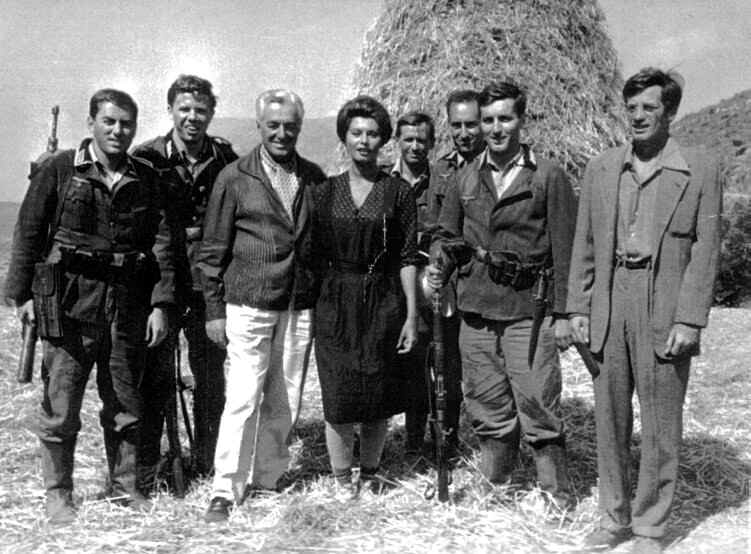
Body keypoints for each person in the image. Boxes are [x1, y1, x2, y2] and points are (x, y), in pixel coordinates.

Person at [4, 89, 176, 524]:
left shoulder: (145, 176)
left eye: (126, 124)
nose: (118, 131)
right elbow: (29, 230)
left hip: (127, 305)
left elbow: (161, 244)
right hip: (68, 304)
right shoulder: (62, 170)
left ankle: (124, 488)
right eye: (109, 122)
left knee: (124, 404)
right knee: (61, 407)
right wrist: (21, 296)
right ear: (92, 123)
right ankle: (59, 493)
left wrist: (160, 304)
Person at [567, 69, 722, 552]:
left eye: (649, 108)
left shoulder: (700, 169)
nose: (638, 117)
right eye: (631, 108)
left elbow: (707, 249)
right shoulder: (603, 167)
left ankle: (651, 526)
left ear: (670, 113)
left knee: (660, 422)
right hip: (610, 301)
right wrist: (578, 307)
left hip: (664, 303)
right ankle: (612, 517)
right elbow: (585, 243)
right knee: (608, 419)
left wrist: (689, 319)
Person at [426, 82, 578, 506]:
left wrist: (565, 314)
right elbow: (446, 235)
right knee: (486, 402)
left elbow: (567, 248)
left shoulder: (547, 175)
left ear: (521, 120)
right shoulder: (465, 177)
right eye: (488, 120)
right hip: (476, 309)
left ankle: (555, 493)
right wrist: (440, 262)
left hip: (528, 310)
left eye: (505, 118)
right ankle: (497, 484)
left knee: (537, 401)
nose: (496, 128)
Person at [198, 89, 326, 523]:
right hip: (248, 303)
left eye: (290, 126)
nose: (282, 133)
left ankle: (268, 477)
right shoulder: (234, 177)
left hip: (296, 303)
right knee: (242, 397)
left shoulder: (312, 176)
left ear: (299, 128)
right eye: (273, 125)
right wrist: (214, 310)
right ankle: (225, 488)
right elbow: (212, 249)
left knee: (285, 395)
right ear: (259, 127)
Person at [133, 75, 238, 486]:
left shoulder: (226, 159)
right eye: (184, 109)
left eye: (201, 110)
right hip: (159, 281)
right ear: (171, 111)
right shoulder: (146, 159)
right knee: (154, 374)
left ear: (211, 112)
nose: (192, 118)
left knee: (211, 376)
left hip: (209, 283)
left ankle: (208, 460)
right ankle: (150, 463)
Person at [310, 95, 419, 494]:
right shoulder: (324, 191)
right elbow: (312, 254)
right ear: (344, 137)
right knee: (338, 392)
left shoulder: (398, 192)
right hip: (334, 300)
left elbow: (408, 256)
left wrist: (410, 315)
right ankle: (342, 479)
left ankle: (371, 473)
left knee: (377, 389)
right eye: (356, 132)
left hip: (383, 299)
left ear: (383, 140)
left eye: (373, 133)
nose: (364, 140)